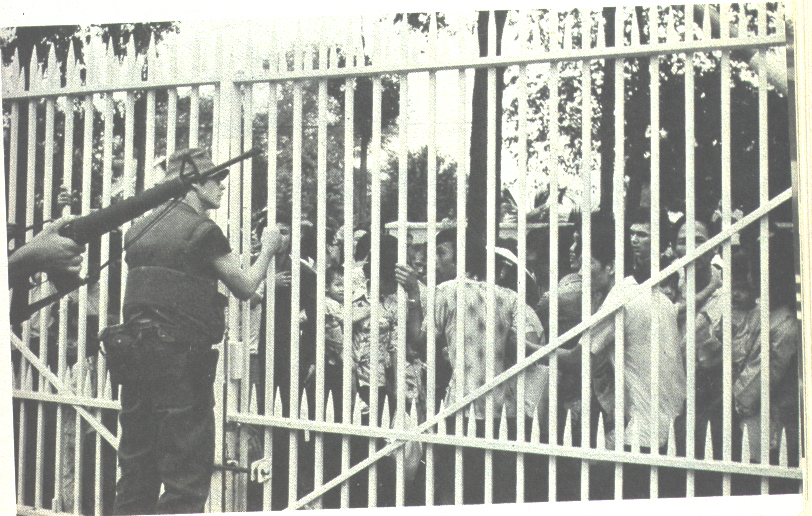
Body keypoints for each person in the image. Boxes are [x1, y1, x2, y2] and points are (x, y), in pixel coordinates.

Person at [107, 148, 289, 515]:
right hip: (179, 362)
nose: (222, 185)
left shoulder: (141, 227)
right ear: (192, 183)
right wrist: (268, 250)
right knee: (185, 473)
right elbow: (245, 287)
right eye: (215, 178)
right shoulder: (202, 230)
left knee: (136, 467)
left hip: (135, 356)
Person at [557, 217, 686, 499]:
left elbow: (576, 361)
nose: (580, 271)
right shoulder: (654, 296)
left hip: (642, 433)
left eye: (587, 263)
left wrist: (526, 349)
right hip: (673, 428)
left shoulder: (621, 299)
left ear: (611, 266)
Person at [427, 227, 548, 505]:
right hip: (502, 409)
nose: (435, 260)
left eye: (440, 253)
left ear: (461, 259)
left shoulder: (445, 291)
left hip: (462, 406)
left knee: (453, 489)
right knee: (498, 495)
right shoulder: (509, 298)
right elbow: (523, 350)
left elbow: (422, 340)